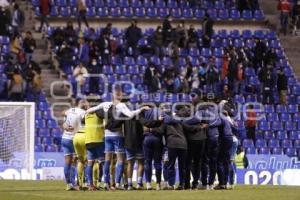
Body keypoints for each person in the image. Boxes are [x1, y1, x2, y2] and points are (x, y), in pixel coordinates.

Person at [86, 89, 150, 190]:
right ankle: (116, 184)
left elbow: (91, 110)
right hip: (117, 135)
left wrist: (82, 113)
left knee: (107, 160)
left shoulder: (105, 104)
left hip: (107, 135)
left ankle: (106, 183)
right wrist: (141, 109)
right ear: (120, 96)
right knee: (120, 160)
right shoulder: (121, 105)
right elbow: (130, 115)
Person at [61, 100, 87, 190]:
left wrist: (66, 127)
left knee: (68, 163)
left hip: (65, 138)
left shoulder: (69, 111)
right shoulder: (83, 112)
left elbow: (64, 124)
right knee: (79, 161)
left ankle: (69, 184)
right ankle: (80, 183)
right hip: (75, 139)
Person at [139, 107, 164, 190]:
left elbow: (143, 126)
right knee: (157, 163)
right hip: (157, 139)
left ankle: (148, 184)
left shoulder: (144, 113)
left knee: (147, 162)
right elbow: (162, 129)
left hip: (147, 139)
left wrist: (149, 129)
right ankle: (158, 184)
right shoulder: (160, 112)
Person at [122, 99, 145, 190]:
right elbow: (144, 128)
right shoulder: (140, 116)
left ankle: (130, 185)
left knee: (130, 163)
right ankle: (139, 184)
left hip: (128, 142)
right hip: (139, 142)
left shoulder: (124, 116)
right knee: (140, 162)